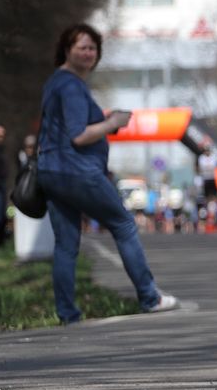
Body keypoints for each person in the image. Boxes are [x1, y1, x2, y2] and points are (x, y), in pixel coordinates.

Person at [37, 23, 177, 324]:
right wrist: (113, 122)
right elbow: (78, 136)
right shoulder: (71, 84)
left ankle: (67, 313)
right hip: (76, 171)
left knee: (66, 244)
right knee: (124, 224)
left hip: (51, 171)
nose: (88, 53)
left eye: (93, 48)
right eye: (82, 47)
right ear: (66, 48)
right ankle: (149, 297)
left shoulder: (53, 83)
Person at [196, 143, 217, 230]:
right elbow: (202, 169)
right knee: (205, 198)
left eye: (208, 150)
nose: (207, 152)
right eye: (205, 150)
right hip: (205, 180)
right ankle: (205, 216)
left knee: (213, 198)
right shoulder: (201, 158)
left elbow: (215, 168)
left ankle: (213, 214)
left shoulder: (214, 157)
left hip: (213, 179)